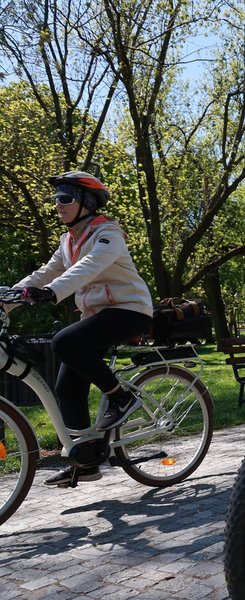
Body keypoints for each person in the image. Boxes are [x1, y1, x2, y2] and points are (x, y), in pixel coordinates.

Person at [12, 172, 154, 486]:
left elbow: (88, 266)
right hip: (98, 316)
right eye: (56, 198)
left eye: (65, 197)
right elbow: (45, 272)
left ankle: (120, 398)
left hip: (129, 310)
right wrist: (8, 299)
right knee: (66, 387)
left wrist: (51, 291)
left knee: (64, 342)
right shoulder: (69, 240)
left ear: (87, 202)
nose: (58, 204)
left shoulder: (108, 232)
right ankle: (86, 461)